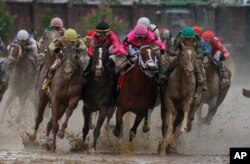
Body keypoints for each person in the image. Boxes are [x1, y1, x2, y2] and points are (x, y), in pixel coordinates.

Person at [165, 27, 208, 91]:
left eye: (190, 39)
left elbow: (201, 53)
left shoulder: (196, 39)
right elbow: (171, 50)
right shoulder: (179, 38)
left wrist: (195, 56)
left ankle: (201, 81)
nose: (188, 41)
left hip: (193, 56)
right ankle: (165, 76)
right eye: (186, 39)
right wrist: (177, 54)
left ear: (193, 38)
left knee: (201, 67)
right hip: (182, 56)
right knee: (172, 62)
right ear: (182, 38)